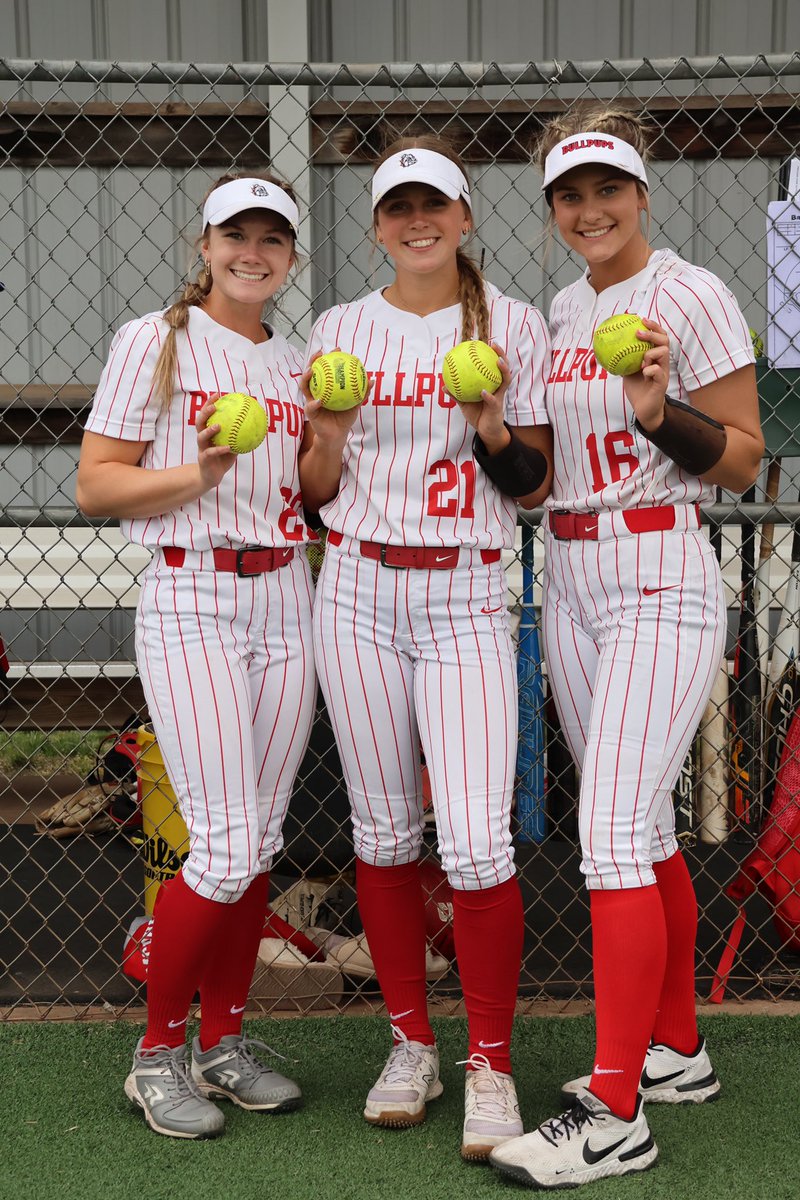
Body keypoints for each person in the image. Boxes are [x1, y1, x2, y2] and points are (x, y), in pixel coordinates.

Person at [489, 109, 764, 1189]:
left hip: (657, 569)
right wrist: (491, 432)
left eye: (607, 187)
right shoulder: (565, 307)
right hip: (572, 571)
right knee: (639, 827)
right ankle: (675, 1051)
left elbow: (739, 462)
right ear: (552, 208)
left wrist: (656, 413)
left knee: (604, 830)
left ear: (640, 193)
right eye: (568, 194)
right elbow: (545, 470)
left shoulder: (690, 292)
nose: (588, 209)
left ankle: (613, 1111)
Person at [76, 174, 351, 1139]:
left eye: (273, 238)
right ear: (204, 244)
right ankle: (155, 1055)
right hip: (192, 593)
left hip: (287, 594)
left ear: (290, 257)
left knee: (260, 845)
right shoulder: (156, 342)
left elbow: (316, 495)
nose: (254, 251)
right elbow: (96, 486)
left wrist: (332, 436)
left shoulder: (297, 356)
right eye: (237, 233)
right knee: (226, 844)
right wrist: (203, 470)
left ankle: (224, 1043)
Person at [304, 136, 553, 1161]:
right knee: (381, 833)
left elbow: (533, 487)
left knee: (478, 842)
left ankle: (487, 1060)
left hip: (459, 592)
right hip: (355, 586)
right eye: (398, 207)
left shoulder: (513, 325)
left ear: (463, 218)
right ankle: (408, 1042)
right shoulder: (338, 328)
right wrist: (324, 427)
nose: (417, 222)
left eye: (434, 206)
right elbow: (315, 491)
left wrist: (491, 426)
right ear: (376, 225)